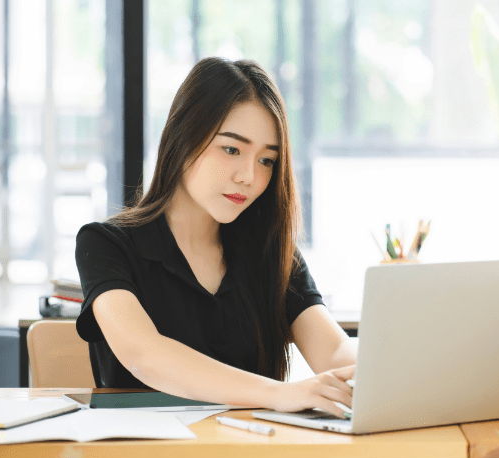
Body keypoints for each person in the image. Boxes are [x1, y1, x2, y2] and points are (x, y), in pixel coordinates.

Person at [74, 58, 355, 418]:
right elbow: (146, 355)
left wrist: (374, 378)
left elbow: (333, 352)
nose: (249, 177)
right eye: (232, 150)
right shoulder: (107, 245)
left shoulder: (273, 253)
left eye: (267, 160)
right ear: (184, 137)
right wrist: (279, 394)